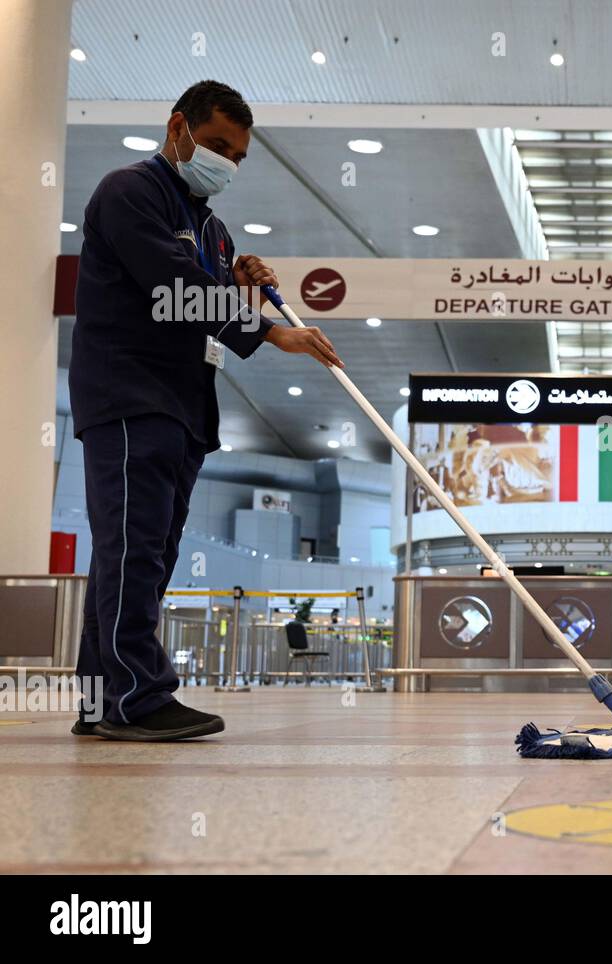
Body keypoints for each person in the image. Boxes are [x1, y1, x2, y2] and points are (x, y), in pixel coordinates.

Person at [69, 81, 343, 741]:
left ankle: (99, 700)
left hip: (182, 410)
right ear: (178, 129)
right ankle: (137, 699)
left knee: (143, 554)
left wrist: (239, 284)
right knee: (133, 550)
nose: (227, 162)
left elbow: (204, 294)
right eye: (217, 145)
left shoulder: (211, 227)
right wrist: (272, 331)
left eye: (239, 155)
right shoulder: (130, 192)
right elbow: (173, 291)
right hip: (130, 398)